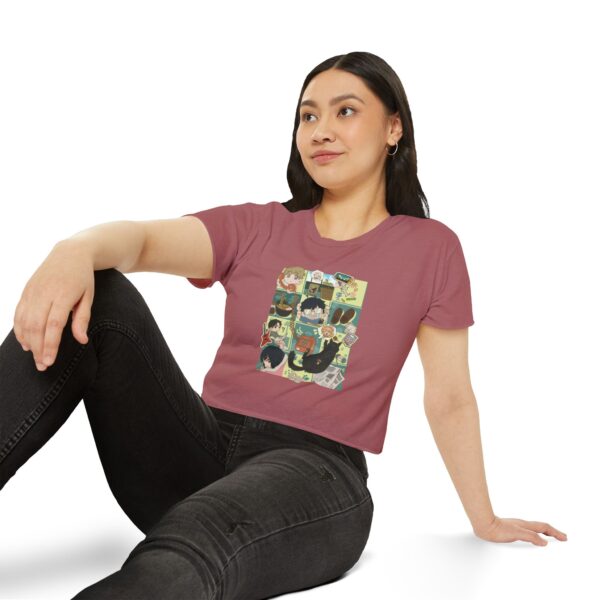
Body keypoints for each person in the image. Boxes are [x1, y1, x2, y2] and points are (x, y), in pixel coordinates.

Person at [0, 51, 567, 599]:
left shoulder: (430, 249)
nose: (321, 131)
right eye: (308, 116)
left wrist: (484, 518)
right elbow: (142, 242)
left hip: (316, 474)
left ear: (393, 128)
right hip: (199, 449)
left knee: (197, 536)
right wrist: (73, 250)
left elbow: (450, 398)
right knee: (98, 294)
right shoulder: (259, 227)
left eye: (346, 111)